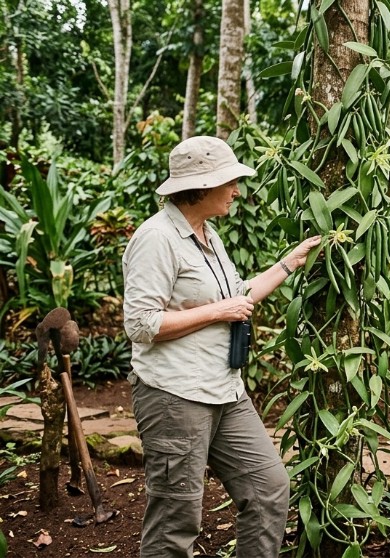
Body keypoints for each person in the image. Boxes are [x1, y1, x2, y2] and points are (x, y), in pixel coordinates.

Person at [122, 135, 321, 558]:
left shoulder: (207, 234)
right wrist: (218, 312)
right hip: (174, 395)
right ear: (200, 187)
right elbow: (140, 324)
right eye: (229, 181)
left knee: (269, 489)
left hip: (224, 390)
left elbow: (236, 296)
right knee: (177, 520)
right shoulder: (157, 238)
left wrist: (291, 262)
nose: (236, 190)